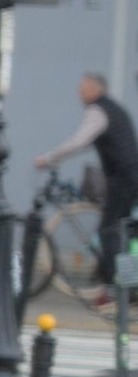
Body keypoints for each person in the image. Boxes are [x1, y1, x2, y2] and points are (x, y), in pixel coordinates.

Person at [32, 71, 138, 307]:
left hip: (124, 178)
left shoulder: (98, 111)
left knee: (110, 231)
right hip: (129, 176)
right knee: (124, 230)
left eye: (83, 88)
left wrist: (49, 158)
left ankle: (113, 290)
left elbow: (79, 141)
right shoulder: (113, 108)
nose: (79, 92)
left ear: (95, 89)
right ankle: (127, 287)